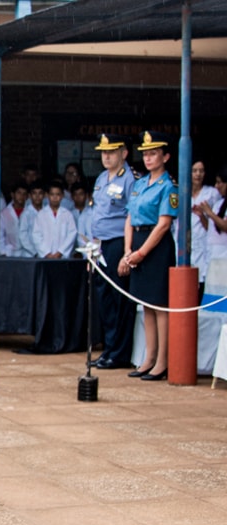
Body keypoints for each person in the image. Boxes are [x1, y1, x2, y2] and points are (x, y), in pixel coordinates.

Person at [119, 131, 178, 382]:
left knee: (160, 305)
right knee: (146, 306)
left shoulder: (168, 186)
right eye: (145, 154)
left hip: (157, 246)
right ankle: (148, 358)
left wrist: (142, 253)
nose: (148, 158)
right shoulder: (140, 183)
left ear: (165, 156)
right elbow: (130, 218)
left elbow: (164, 224)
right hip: (138, 243)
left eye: (153, 153)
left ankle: (162, 362)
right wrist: (128, 251)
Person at [90, 133, 137, 370]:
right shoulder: (101, 178)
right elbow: (97, 214)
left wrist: (127, 253)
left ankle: (119, 353)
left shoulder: (130, 179)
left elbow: (131, 216)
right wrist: (93, 248)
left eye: (111, 152)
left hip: (119, 242)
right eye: (103, 152)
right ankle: (108, 349)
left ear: (124, 153)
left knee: (120, 301)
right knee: (105, 300)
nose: (106, 157)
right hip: (101, 245)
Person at [187, 160, 220, 296]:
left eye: (201, 171)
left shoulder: (211, 193)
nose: (198, 174)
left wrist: (202, 215)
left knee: (201, 284)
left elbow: (214, 227)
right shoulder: (180, 193)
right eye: (195, 170)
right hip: (184, 246)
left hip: (205, 245)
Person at [30, 180, 77, 259]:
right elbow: (36, 236)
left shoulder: (67, 214)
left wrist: (60, 252)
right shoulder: (41, 214)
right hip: (45, 257)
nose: (55, 197)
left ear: (62, 196)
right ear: (47, 195)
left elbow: (71, 234)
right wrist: (46, 253)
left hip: (62, 256)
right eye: (52, 194)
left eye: (57, 194)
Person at [197, 165, 227, 266]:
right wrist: (201, 215)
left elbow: (225, 226)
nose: (216, 186)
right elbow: (210, 228)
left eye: (219, 182)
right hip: (213, 254)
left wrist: (209, 213)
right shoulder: (219, 203)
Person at [0, 180, 29, 256]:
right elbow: (1, 235)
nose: (21, 196)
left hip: (28, 252)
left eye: (24, 194)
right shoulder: (4, 213)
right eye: (19, 193)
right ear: (12, 194)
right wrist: (3, 252)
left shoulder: (30, 212)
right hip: (9, 252)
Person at [16, 181, 46, 257]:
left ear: (44, 195)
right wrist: (35, 252)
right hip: (30, 254)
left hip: (46, 253)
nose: (37, 196)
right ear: (30, 195)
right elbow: (22, 236)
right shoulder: (26, 214)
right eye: (34, 193)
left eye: (40, 193)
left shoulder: (47, 212)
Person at [70, 181, 95, 254]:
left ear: (86, 195)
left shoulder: (94, 213)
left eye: (81, 194)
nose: (78, 197)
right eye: (76, 194)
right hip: (74, 251)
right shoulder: (69, 214)